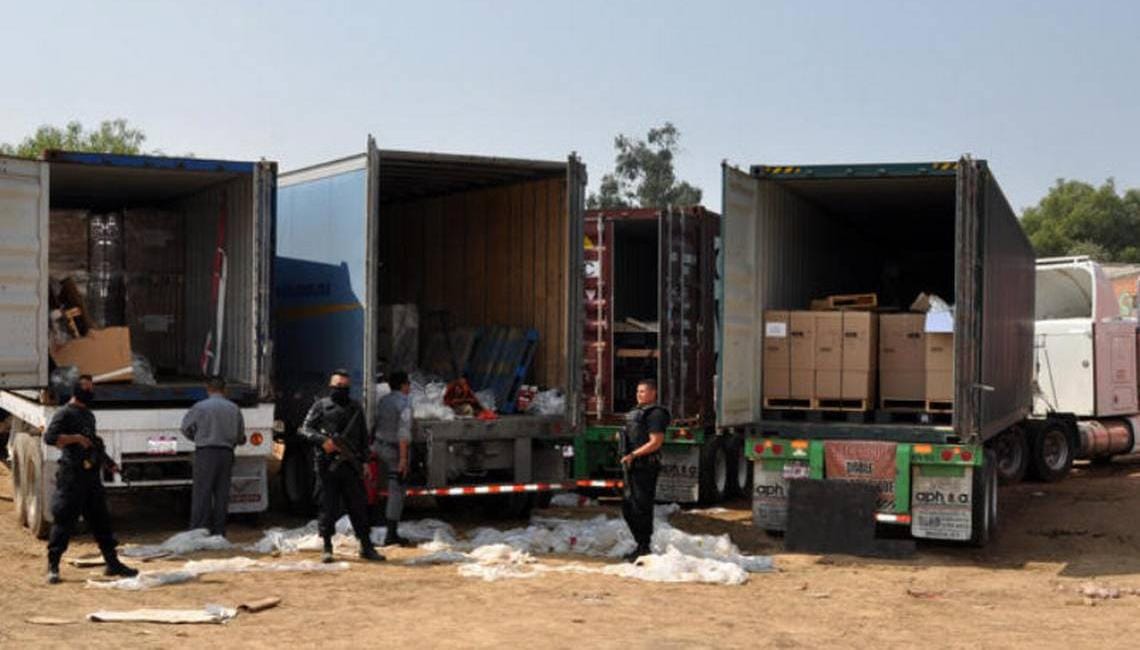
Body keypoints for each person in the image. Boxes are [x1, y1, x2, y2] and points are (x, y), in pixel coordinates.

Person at [43, 375, 138, 584]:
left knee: (101, 521)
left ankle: (112, 563)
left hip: (91, 478)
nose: (91, 392)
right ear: (76, 391)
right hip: (72, 477)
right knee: (64, 521)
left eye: (91, 388)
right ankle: (53, 567)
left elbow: (94, 443)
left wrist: (110, 464)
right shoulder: (64, 413)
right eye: (87, 389)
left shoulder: (88, 415)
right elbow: (49, 437)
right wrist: (75, 438)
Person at [299, 369, 384, 563]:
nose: (341, 390)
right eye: (338, 386)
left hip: (351, 466)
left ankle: (366, 546)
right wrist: (322, 441)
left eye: (345, 387)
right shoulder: (321, 406)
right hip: (327, 466)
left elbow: (363, 438)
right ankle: (327, 547)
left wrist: (363, 462)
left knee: (358, 507)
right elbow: (305, 429)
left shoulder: (355, 408)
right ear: (331, 387)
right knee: (327, 507)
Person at [181, 376, 245, 536]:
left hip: (205, 453)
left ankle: (199, 531)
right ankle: (219, 532)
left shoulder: (200, 407)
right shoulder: (234, 408)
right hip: (226, 453)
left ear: (208, 389)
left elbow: (185, 428)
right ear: (225, 390)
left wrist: (196, 438)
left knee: (202, 493)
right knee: (222, 494)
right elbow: (240, 436)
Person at [619, 378, 669, 562]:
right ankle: (639, 543)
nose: (638, 394)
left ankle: (644, 546)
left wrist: (634, 455)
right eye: (637, 391)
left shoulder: (656, 414)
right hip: (632, 465)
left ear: (653, 393)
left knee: (641, 507)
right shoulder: (635, 412)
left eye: (642, 391)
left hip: (645, 465)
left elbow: (655, 442)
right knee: (628, 507)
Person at [373, 371, 413, 546]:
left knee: (378, 487)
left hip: (378, 446)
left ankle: (375, 522)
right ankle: (391, 534)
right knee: (396, 491)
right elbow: (403, 433)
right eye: (408, 384)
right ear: (404, 385)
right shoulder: (404, 403)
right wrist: (403, 459)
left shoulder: (383, 401)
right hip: (394, 451)